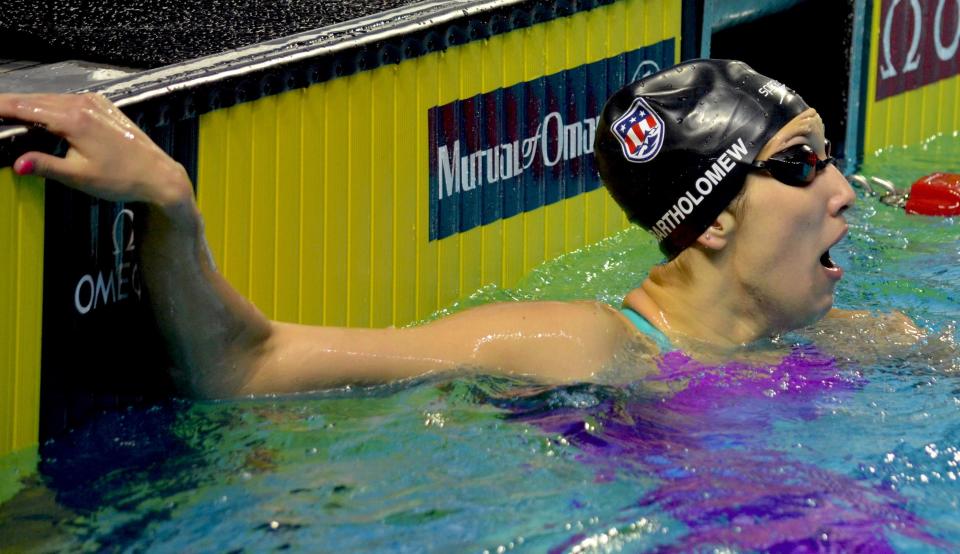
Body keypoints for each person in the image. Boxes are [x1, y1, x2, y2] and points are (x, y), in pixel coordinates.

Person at [0, 59, 923, 399]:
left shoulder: (858, 345)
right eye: (802, 164)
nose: (843, 190)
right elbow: (248, 366)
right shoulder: (579, 347)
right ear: (713, 219)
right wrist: (172, 205)